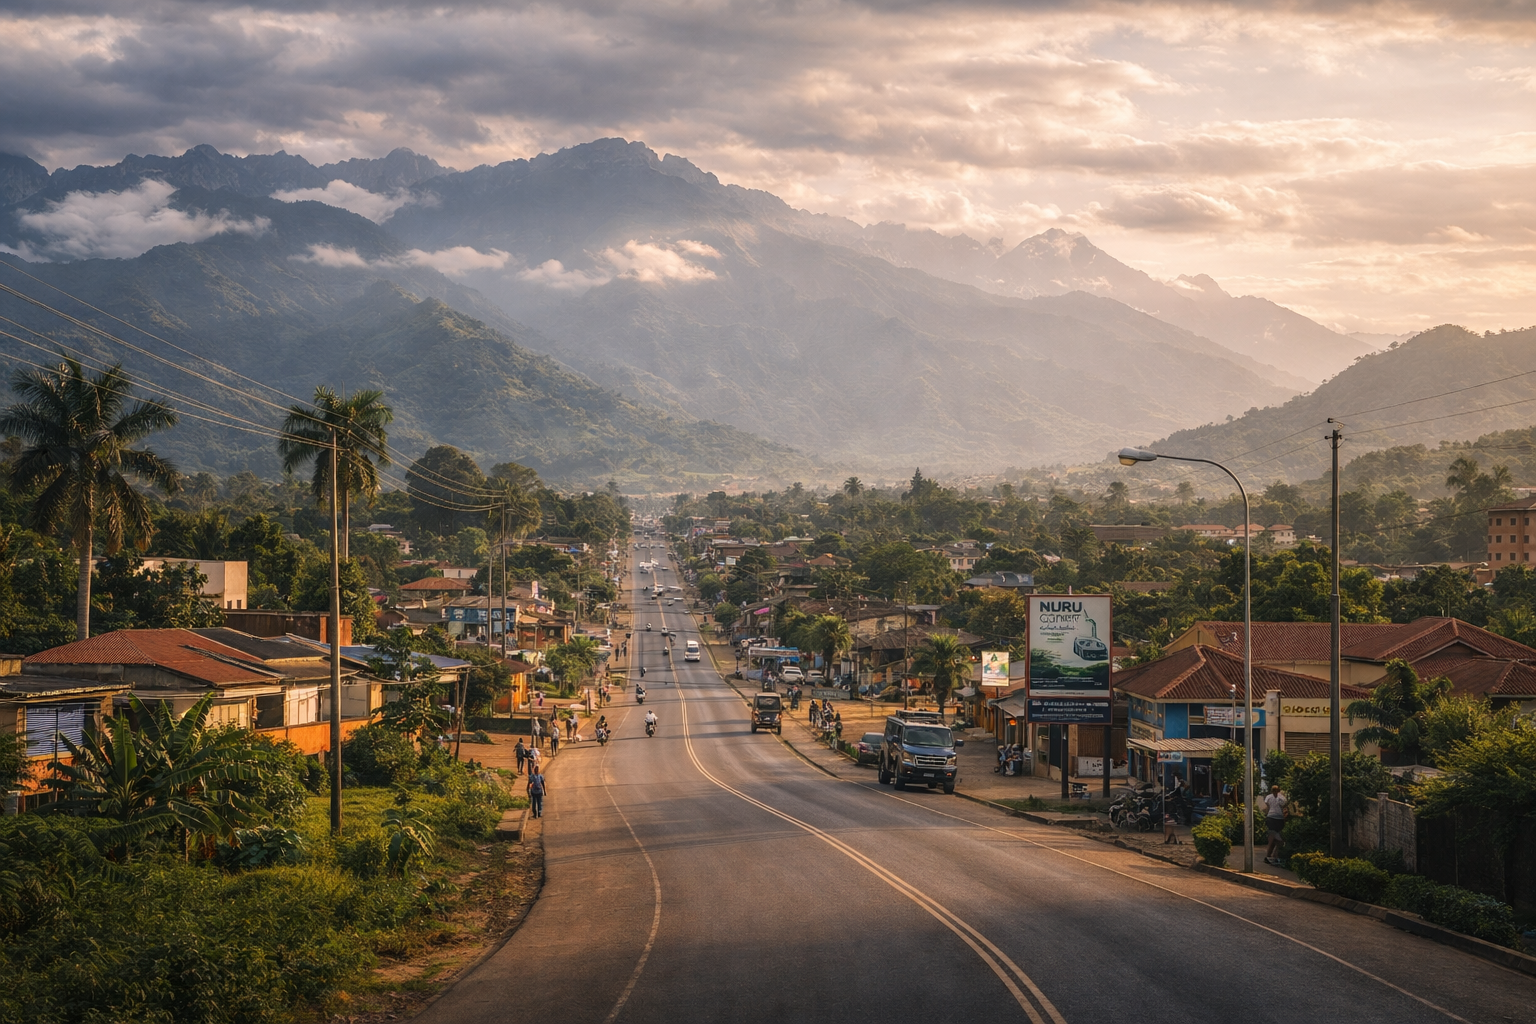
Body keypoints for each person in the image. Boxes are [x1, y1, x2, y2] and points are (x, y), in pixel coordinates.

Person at [1263, 784, 1289, 864]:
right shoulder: (1282, 798)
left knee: (1273, 838)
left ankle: (1271, 855)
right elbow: (1284, 806)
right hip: (1277, 818)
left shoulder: (1269, 797)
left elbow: (1267, 806)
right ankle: (1272, 855)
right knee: (1275, 838)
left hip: (1272, 818)